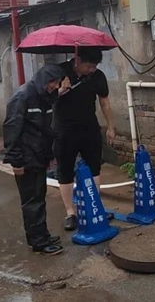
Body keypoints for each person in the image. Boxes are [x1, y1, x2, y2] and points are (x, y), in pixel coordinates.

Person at [3, 64, 67, 255]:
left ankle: (41, 235)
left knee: (39, 197)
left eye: (58, 83)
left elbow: (44, 129)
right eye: (53, 82)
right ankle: (39, 242)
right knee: (32, 201)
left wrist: (49, 154)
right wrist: (16, 161)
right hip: (26, 157)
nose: (55, 86)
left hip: (39, 155)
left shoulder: (44, 98)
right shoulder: (22, 97)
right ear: (44, 80)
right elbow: (11, 129)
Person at [54, 48, 115, 231]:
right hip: (64, 130)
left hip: (89, 128)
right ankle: (70, 213)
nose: (91, 70)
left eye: (94, 67)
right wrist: (60, 91)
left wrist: (110, 126)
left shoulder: (98, 76)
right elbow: (44, 98)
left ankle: (94, 206)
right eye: (89, 66)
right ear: (77, 60)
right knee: (65, 170)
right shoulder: (59, 72)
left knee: (94, 167)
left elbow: (104, 101)